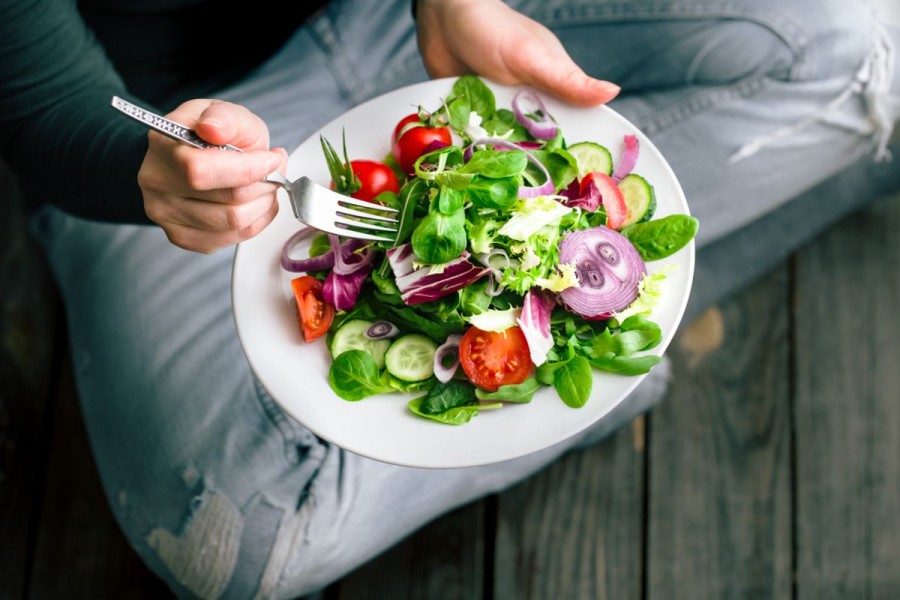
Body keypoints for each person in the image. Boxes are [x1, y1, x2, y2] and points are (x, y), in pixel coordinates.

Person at [1, 0, 897, 596]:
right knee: (239, 547)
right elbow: (35, 100)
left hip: (395, 16)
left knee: (840, 33)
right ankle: (646, 319)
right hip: (161, 139)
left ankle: (626, 321)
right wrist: (145, 170)